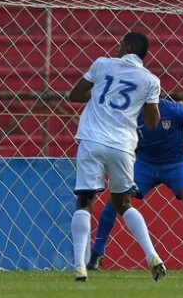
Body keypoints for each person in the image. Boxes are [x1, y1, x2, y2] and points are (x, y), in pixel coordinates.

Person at [86, 97, 183, 272]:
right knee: (116, 200)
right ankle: (97, 254)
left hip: (176, 165)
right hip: (145, 164)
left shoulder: (174, 111)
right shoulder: (130, 113)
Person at [67, 32, 166, 282]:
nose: (117, 48)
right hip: (122, 145)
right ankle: (152, 255)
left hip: (91, 140)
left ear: (127, 47)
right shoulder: (150, 80)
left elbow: (75, 95)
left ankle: (80, 266)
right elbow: (153, 123)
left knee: (85, 201)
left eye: (121, 44)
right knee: (123, 204)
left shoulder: (102, 64)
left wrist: (102, 95)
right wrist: (143, 104)